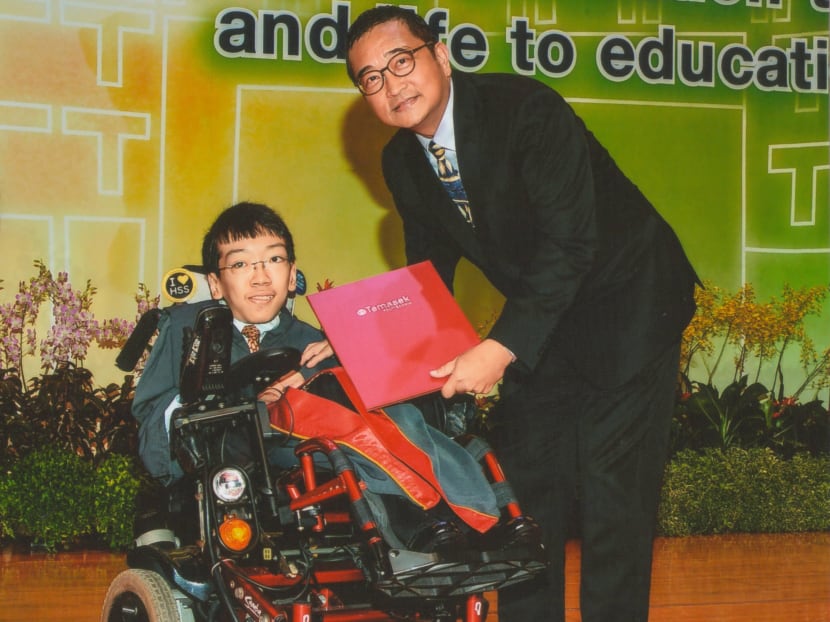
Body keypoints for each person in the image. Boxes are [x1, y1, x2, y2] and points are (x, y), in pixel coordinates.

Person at [345, 6, 699, 622]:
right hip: (546, 319)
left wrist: (501, 347)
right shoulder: (402, 162)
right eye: (371, 78)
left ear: (441, 56)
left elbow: (571, 244)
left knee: (613, 500)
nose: (391, 84)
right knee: (526, 499)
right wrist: (355, 341)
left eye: (401, 61)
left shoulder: (526, 111)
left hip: (630, 305)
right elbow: (426, 275)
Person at [132, 201, 501, 552]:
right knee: (342, 427)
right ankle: (435, 521)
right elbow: (152, 411)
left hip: (321, 460)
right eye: (241, 264)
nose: (261, 277)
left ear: (292, 274)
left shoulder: (315, 343)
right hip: (230, 462)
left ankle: (460, 516)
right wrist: (214, 403)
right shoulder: (187, 329)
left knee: (375, 411)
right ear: (215, 283)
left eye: (274, 259)